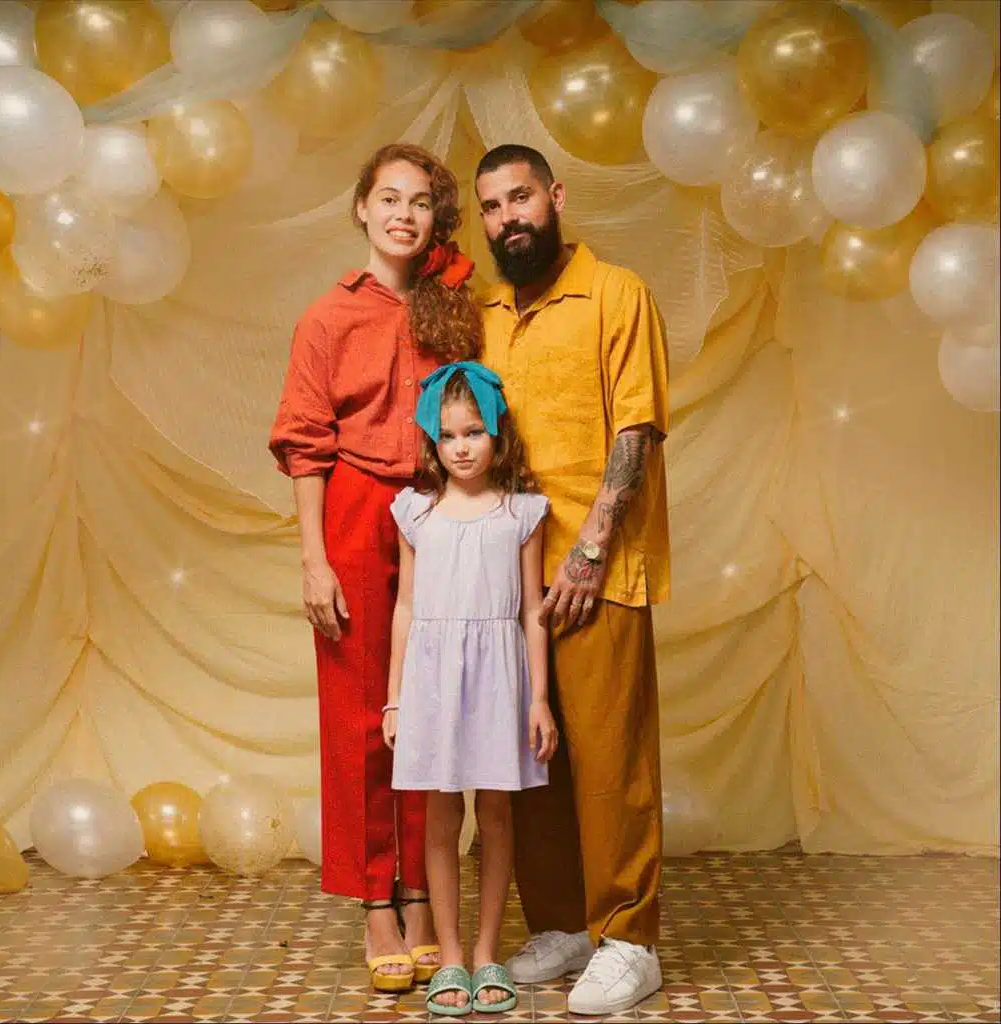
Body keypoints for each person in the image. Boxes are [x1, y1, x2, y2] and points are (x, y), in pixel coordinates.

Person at [269, 143, 483, 992]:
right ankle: (374, 901)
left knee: (432, 708)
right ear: (361, 208)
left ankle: (423, 887)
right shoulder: (327, 317)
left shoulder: (453, 308)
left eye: (421, 202)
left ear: (436, 219)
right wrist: (314, 559)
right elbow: (303, 445)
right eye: (389, 198)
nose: (403, 214)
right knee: (361, 713)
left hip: (441, 512)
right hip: (356, 513)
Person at [474, 144, 671, 1017]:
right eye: (491, 207)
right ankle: (560, 924)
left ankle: (629, 939)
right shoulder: (482, 313)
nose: (508, 218)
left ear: (555, 197)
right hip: (507, 575)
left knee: (608, 762)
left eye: (520, 198)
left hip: (599, 569)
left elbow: (637, 430)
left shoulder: (617, 294)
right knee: (530, 759)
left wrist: (591, 549)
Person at [382, 362, 559, 1016]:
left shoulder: (520, 513)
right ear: (433, 441)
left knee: (497, 814)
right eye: (449, 435)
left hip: (498, 678)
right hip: (432, 680)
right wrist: (395, 697)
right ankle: (451, 953)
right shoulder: (418, 514)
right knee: (439, 815)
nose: (461, 447)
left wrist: (538, 698)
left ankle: (487, 951)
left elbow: (533, 610)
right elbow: (405, 607)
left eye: (474, 432)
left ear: (497, 435)